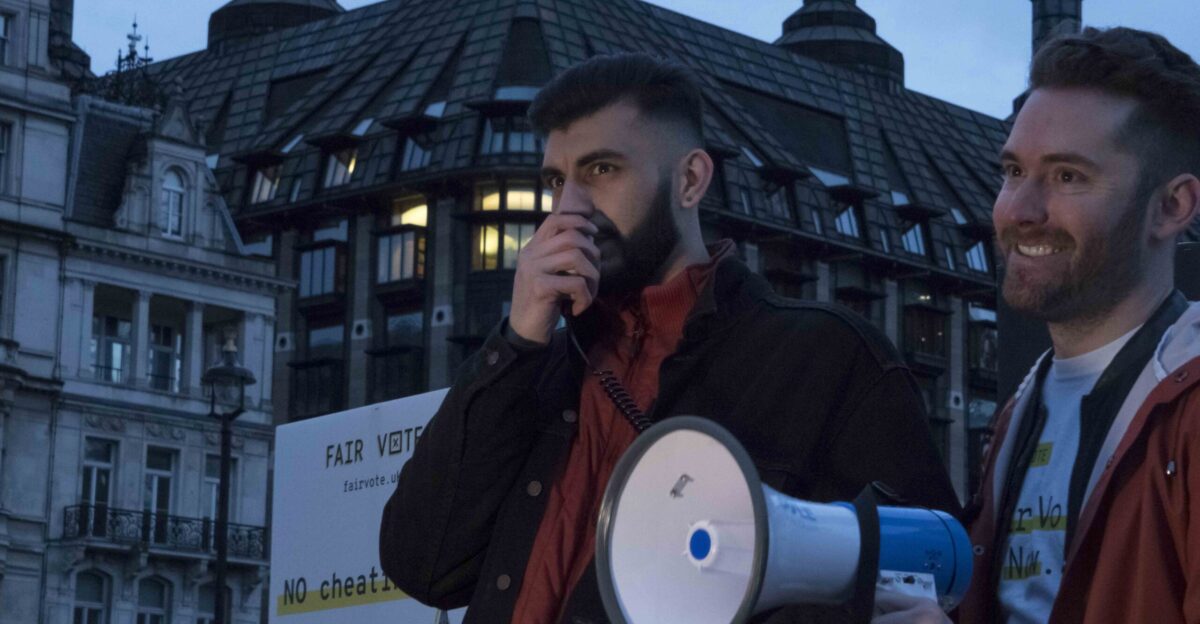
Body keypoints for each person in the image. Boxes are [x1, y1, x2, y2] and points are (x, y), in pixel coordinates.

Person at [380, 52, 959, 624]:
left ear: (690, 179)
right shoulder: (543, 363)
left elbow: (931, 575)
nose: (569, 208)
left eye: (601, 170)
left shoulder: (826, 358)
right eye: (557, 180)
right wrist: (519, 340)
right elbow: (423, 565)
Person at [875, 26, 1200, 624]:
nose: (1019, 211)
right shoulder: (1024, 405)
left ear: (1173, 206)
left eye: (1068, 176)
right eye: (1013, 171)